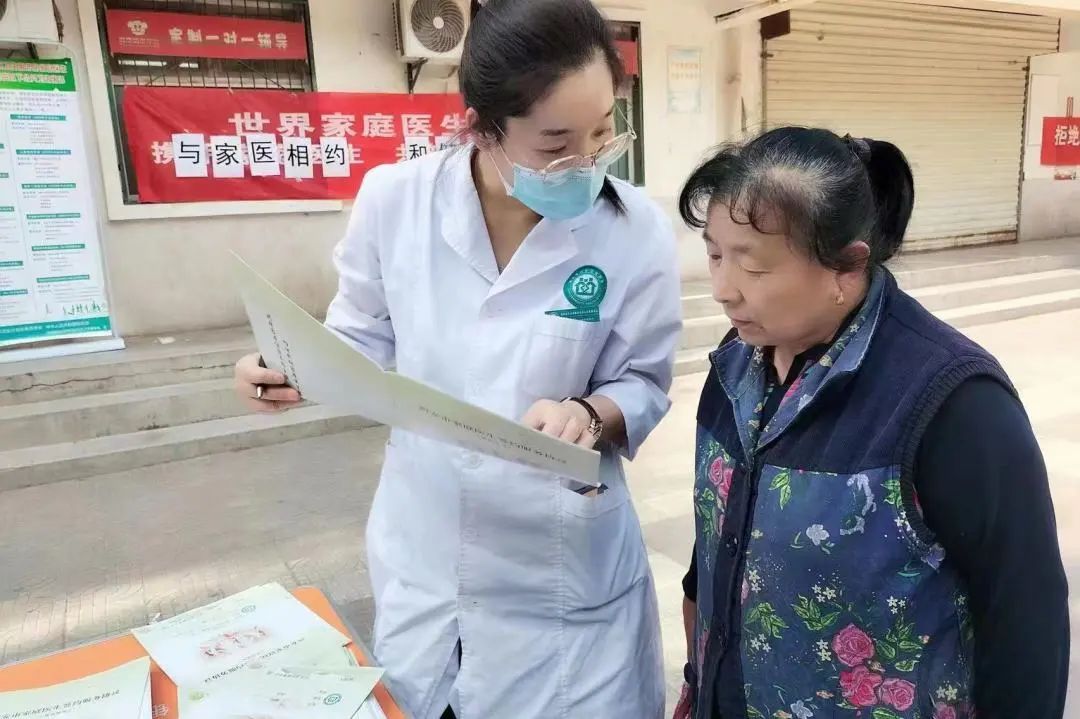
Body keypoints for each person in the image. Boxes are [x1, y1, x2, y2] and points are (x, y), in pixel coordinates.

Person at [234, 0, 681, 716]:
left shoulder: (635, 231)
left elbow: (643, 381)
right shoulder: (396, 201)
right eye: (556, 144)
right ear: (478, 126)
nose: (587, 162)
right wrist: (288, 363)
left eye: (603, 131)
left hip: (563, 567)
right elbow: (359, 335)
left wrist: (589, 413)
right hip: (429, 550)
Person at [671, 128, 1069, 719]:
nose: (722, 290)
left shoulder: (953, 403)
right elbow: (718, 540)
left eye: (751, 266)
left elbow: (1025, 620)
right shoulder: (735, 365)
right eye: (714, 255)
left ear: (847, 267)